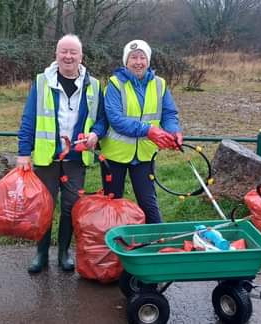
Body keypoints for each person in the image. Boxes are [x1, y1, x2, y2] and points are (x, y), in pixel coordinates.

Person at [16, 34, 106, 274]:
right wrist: (24, 153)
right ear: (56, 55)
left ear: (81, 56)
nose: (68, 56)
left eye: (73, 52)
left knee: (71, 207)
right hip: (48, 158)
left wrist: (96, 134)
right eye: (63, 51)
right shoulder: (42, 82)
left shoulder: (94, 85)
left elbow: (101, 120)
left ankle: (64, 252)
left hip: (76, 159)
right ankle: (41, 254)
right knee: (44, 207)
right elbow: (29, 119)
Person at [99, 40, 182, 224]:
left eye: (142, 57)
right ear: (125, 62)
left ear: (148, 60)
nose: (138, 62)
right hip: (115, 156)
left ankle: (156, 244)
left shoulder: (160, 84)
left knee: (148, 203)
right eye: (133, 57)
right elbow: (116, 119)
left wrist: (173, 130)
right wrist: (149, 130)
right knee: (112, 203)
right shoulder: (114, 84)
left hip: (145, 155)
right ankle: (111, 248)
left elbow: (169, 113)